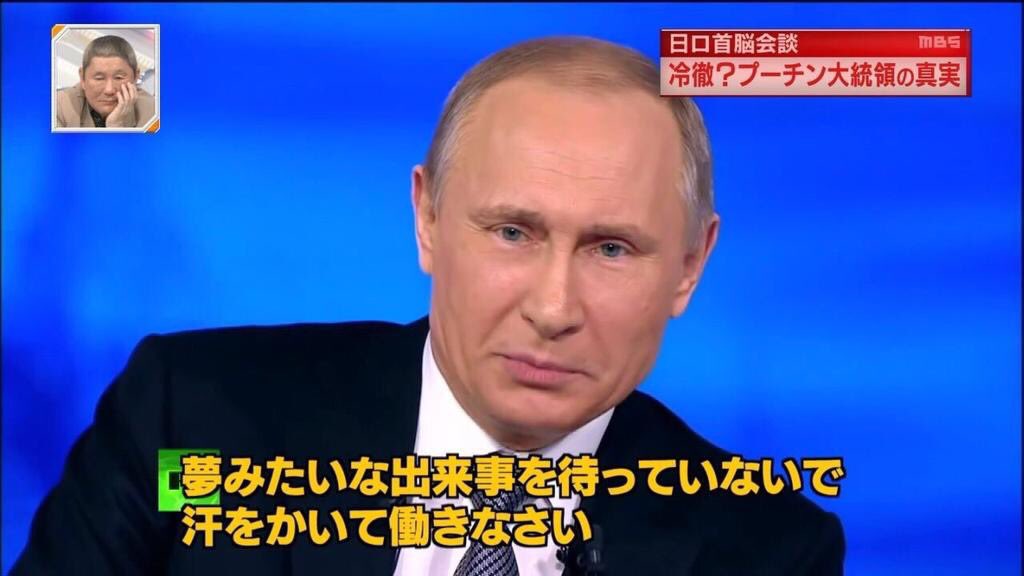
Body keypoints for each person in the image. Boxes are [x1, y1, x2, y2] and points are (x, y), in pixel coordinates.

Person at [15, 36, 844, 575]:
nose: (553, 307)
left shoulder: (765, 549)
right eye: (513, 233)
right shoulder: (191, 421)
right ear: (429, 219)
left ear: (691, 267)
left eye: (611, 249)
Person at [55, 34, 155, 128]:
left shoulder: (154, 114)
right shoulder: (58, 108)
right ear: (82, 78)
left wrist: (117, 126)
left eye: (119, 78)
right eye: (99, 78)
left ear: (136, 76)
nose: (109, 90)